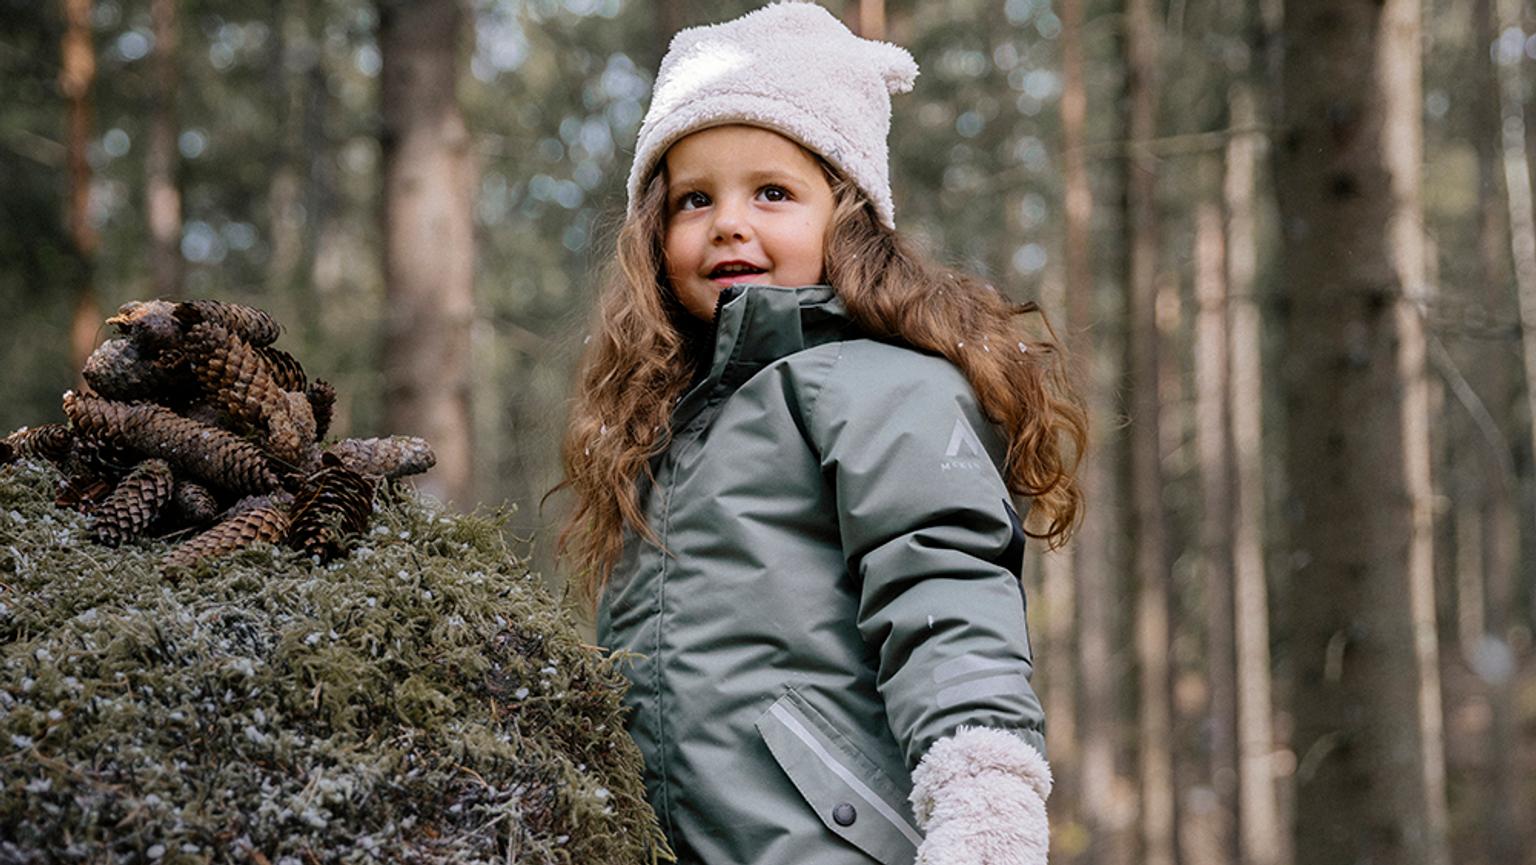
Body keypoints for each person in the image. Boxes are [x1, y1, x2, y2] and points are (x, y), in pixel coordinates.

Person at [554, 4, 1085, 863]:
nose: (729, 221)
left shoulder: (886, 387)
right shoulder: (664, 424)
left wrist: (985, 793)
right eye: (695, 198)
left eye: (772, 191)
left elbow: (945, 598)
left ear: (850, 216)